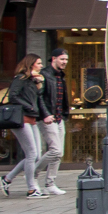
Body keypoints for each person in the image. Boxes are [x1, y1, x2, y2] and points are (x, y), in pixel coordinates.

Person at [0, 54, 52, 199]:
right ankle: (31, 189)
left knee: (37, 155)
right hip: (21, 119)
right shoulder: (20, 79)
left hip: (32, 119)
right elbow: (13, 96)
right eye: (39, 63)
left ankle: (7, 179)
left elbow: (38, 98)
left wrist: (39, 83)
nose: (41, 66)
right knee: (31, 154)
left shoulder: (32, 81)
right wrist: (28, 106)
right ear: (31, 64)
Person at [35, 48, 70, 195]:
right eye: (62, 59)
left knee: (58, 153)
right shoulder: (44, 75)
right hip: (48, 118)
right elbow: (39, 96)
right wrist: (45, 114)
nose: (64, 62)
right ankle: (32, 172)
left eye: (66, 60)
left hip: (59, 117)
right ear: (53, 58)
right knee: (55, 150)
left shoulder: (61, 76)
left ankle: (50, 183)